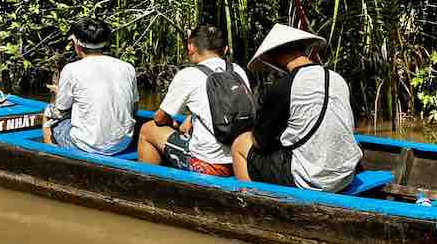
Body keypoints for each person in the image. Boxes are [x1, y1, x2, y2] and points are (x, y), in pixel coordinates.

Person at [231, 24, 361, 193]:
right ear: (303, 48)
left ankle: (250, 205)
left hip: (311, 179)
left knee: (240, 144)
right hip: (345, 175)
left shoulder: (284, 86)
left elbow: (259, 142)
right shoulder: (337, 79)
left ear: (276, 56)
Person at [137, 25, 251, 177]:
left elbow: (159, 118)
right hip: (240, 158)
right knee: (188, 122)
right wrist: (191, 119)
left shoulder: (188, 75)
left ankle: (149, 185)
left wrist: (173, 124)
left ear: (191, 47)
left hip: (209, 165)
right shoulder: (237, 70)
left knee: (147, 129)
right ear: (225, 49)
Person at [43, 19, 138, 155]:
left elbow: (61, 110)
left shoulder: (71, 69)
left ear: (77, 45)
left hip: (86, 145)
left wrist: (56, 95)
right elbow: (134, 109)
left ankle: (50, 156)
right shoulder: (127, 67)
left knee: (48, 114)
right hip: (122, 144)